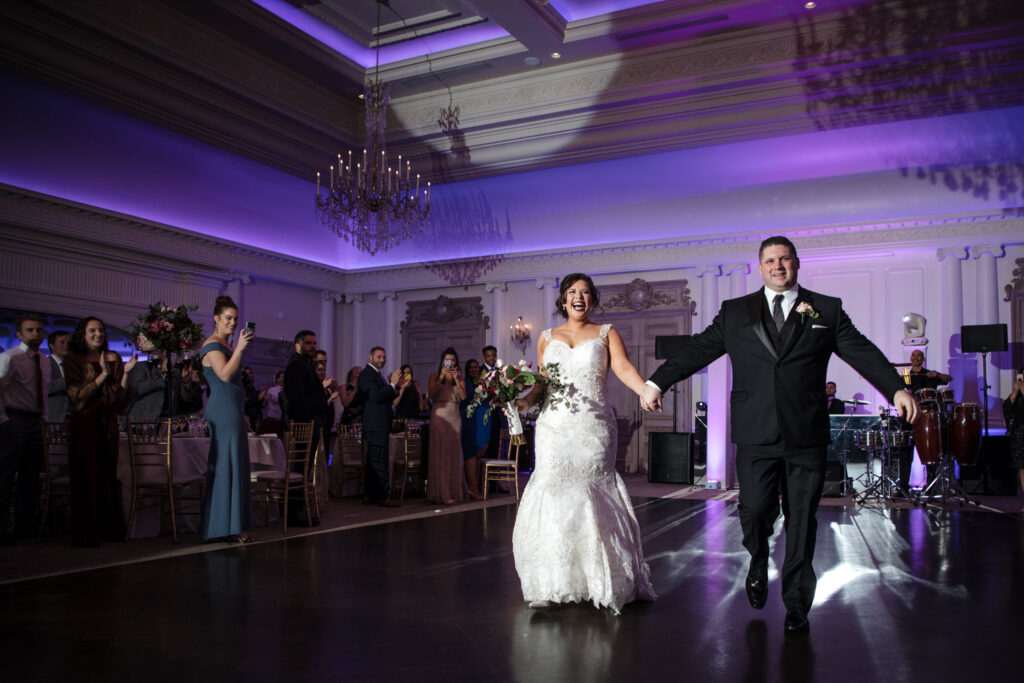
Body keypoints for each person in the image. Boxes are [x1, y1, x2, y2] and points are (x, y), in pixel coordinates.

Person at [641, 236, 917, 633]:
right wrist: (658, 381)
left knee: (802, 521)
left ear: (797, 263)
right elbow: (698, 348)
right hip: (755, 432)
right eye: (770, 260)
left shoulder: (827, 309)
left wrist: (895, 387)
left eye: (785, 259)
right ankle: (757, 558)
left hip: (806, 434)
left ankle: (797, 604)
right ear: (760, 267)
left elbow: (862, 351)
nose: (778, 266)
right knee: (753, 511)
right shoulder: (735, 312)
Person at [513, 273, 656, 613]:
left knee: (592, 492)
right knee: (553, 493)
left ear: (592, 299)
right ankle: (551, 583)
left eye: (586, 292)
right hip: (553, 427)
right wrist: (520, 402)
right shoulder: (547, 338)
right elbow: (542, 384)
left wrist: (645, 390)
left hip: (593, 426)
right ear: (563, 300)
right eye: (572, 292)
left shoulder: (606, 333)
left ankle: (601, 579)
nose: (579, 297)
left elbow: (622, 368)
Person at [65, 316, 137, 547]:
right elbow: (77, 398)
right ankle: (86, 534)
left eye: (102, 330)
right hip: (84, 424)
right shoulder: (73, 359)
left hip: (108, 423)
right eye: (93, 330)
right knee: (85, 477)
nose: (99, 334)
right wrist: (103, 375)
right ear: (83, 334)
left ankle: (109, 530)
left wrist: (125, 373)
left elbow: (119, 401)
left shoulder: (112, 357)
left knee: (107, 476)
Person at [198, 296, 254, 544]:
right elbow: (224, 375)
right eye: (228, 318)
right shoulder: (212, 345)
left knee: (235, 465)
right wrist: (240, 349)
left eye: (235, 318)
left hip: (232, 409)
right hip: (223, 409)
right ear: (217, 318)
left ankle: (229, 524)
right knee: (227, 465)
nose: (233, 322)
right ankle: (226, 526)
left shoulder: (225, 345)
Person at [0, 314, 51, 544]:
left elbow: (44, 393)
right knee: (5, 477)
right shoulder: (9, 358)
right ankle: (2, 529)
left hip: (35, 421)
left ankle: (24, 529)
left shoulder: (44, 360)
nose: (35, 334)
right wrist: (3, 420)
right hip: (15, 419)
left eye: (39, 330)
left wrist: (45, 419)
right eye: (30, 330)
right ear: (19, 334)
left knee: (31, 478)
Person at [283, 330, 327, 525]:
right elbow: (295, 397)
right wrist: (312, 414)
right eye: (308, 343)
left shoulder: (304, 365)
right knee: (300, 468)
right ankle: (295, 513)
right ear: (298, 345)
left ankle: (299, 511)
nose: (313, 346)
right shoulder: (296, 365)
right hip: (303, 423)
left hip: (309, 421)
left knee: (305, 468)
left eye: (314, 343)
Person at [356, 346, 404, 507]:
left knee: (374, 461)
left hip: (379, 423)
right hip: (375, 423)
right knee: (379, 461)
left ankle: (370, 495)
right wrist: (391, 385)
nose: (382, 360)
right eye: (379, 357)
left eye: (384, 357)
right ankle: (382, 496)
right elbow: (376, 397)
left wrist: (396, 387)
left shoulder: (377, 375)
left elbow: (385, 397)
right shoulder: (366, 375)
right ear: (370, 357)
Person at [427, 348, 466, 505]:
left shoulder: (460, 377)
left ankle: (453, 491)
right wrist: (442, 376)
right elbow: (431, 395)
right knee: (440, 454)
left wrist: (456, 380)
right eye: (447, 360)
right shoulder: (434, 376)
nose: (450, 363)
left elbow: (463, 397)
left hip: (455, 417)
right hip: (439, 416)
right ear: (443, 361)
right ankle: (441, 493)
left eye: (453, 360)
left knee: (453, 454)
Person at [460, 359, 488, 499]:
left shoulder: (480, 382)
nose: (474, 369)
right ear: (467, 369)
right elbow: (468, 398)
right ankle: (472, 487)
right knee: (470, 455)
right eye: (471, 367)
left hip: (478, 422)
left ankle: (473, 487)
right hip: (467, 420)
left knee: (477, 455)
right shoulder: (465, 381)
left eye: (476, 367)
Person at [1003, 367, 1024, 502]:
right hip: (1020, 433)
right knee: (1022, 467)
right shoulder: (1018, 394)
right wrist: (1015, 392)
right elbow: (1007, 408)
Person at [46, 330, 70, 422]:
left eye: (68, 342)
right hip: (53, 418)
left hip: (71, 418)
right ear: (52, 346)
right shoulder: (45, 364)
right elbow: (46, 387)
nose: (66, 345)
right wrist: (69, 380)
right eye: (62, 342)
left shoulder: (72, 366)